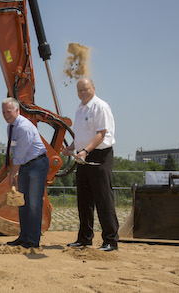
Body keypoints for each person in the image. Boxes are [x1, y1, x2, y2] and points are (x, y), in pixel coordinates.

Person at [62, 78, 119, 252]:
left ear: (93, 88)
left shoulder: (100, 107)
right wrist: (70, 148)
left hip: (99, 156)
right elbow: (80, 135)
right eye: (79, 90)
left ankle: (110, 240)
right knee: (84, 200)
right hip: (82, 156)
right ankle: (84, 238)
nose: (82, 93)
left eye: (85, 89)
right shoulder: (80, 109)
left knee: (103, 199)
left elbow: (101, 134)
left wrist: (86, 150)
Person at [2, 97, 50, 249]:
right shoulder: (11, 127)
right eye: (3, 112)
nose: (6, 115)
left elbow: (20, 154)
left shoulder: (23, 127)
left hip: (37, 164)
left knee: (34, 204)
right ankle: (23, 237)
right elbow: (16, 152)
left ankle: (33, 240)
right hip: (24, 166)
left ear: (17, 110)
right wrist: (14, 171)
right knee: (23, 203)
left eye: (8, 111)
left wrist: (12, 174)